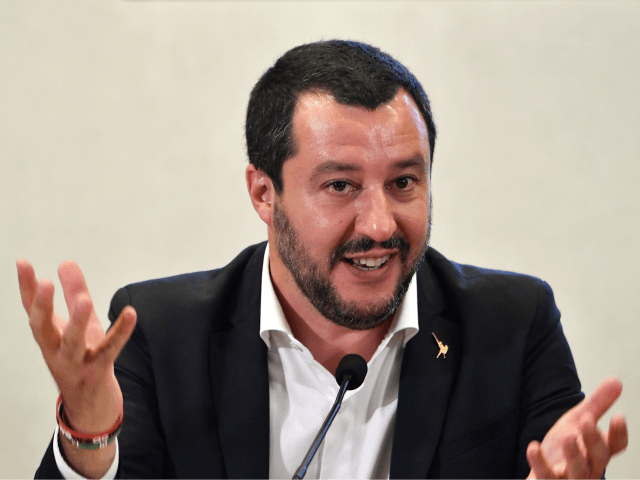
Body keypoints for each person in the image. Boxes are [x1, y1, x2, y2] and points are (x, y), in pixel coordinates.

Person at [18, 40, 627, 479]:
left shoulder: (513, 324)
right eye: (341, 186)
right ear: (264, 193)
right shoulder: (161, 330)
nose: (381, 224)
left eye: (405, 182)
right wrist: (89, 434)